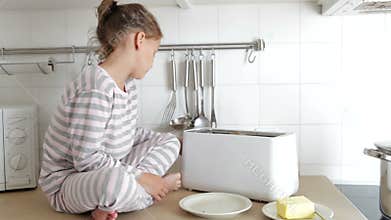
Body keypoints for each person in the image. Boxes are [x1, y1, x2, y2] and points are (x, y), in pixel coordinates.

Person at [38, 1, 181, 219]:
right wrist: (142, 177)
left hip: (110, 168)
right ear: (139, 40)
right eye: (154, 52)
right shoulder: (95, 87)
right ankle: (153, 191)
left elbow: (127, 134)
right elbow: (86, 160)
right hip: (68, 182)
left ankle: (118, 200)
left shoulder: (128, 85)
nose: (153, 62)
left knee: (170, 142)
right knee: (117, 182)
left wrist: (168, 139)